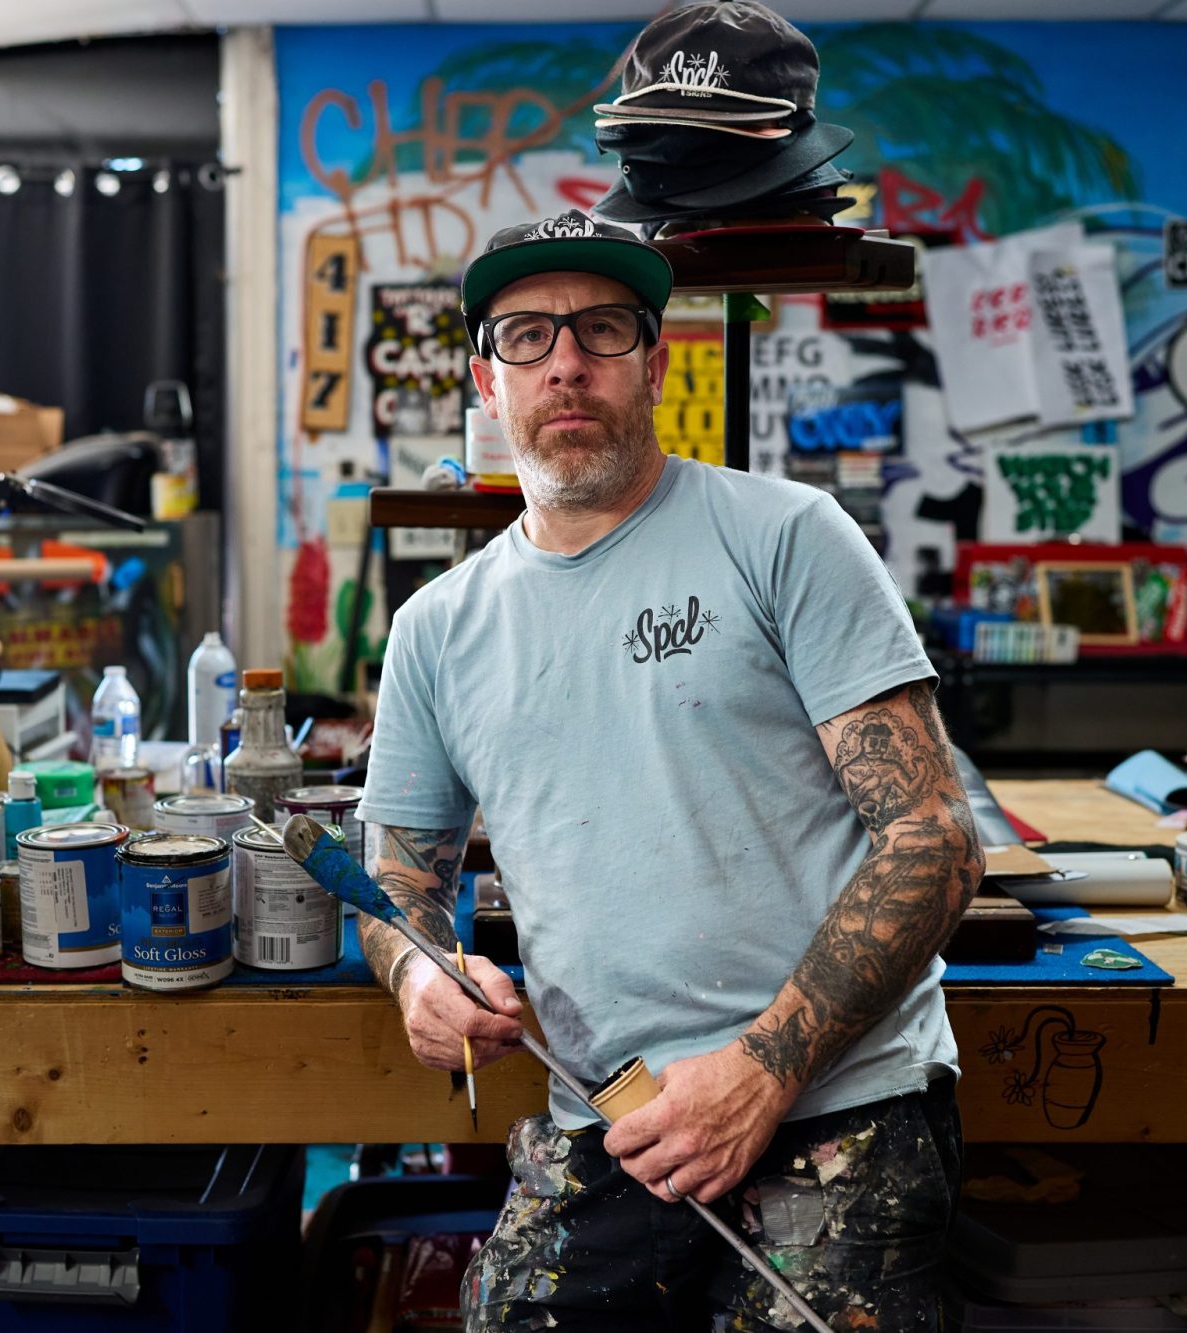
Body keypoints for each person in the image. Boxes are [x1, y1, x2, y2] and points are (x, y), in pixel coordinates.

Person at [355, 209, 984, 1332]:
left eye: (600, 329)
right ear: (484, 381)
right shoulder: (436, 629)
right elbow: (398, 881)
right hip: (608, 1117)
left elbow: (931, 839)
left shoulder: (786, 535)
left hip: (831, 1102)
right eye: (525, 336)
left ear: (654, 361)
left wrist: (760, 1072)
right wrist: (419, 978)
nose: (564, 361)